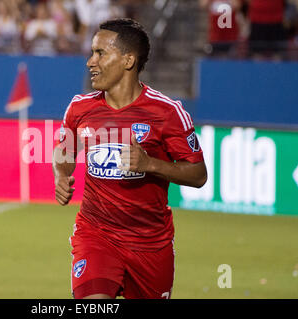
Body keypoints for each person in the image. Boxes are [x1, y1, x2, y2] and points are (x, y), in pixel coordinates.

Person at [52, 18, 207, 299]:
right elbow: (65, 151)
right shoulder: (79, 108)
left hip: (150, 245)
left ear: (128, 60)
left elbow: (198, 175)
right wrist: (61, 174)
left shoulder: (167, 112)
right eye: (92, 52)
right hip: (96, 235)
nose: (90, 62)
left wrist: (149, 164)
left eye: (100, 53)